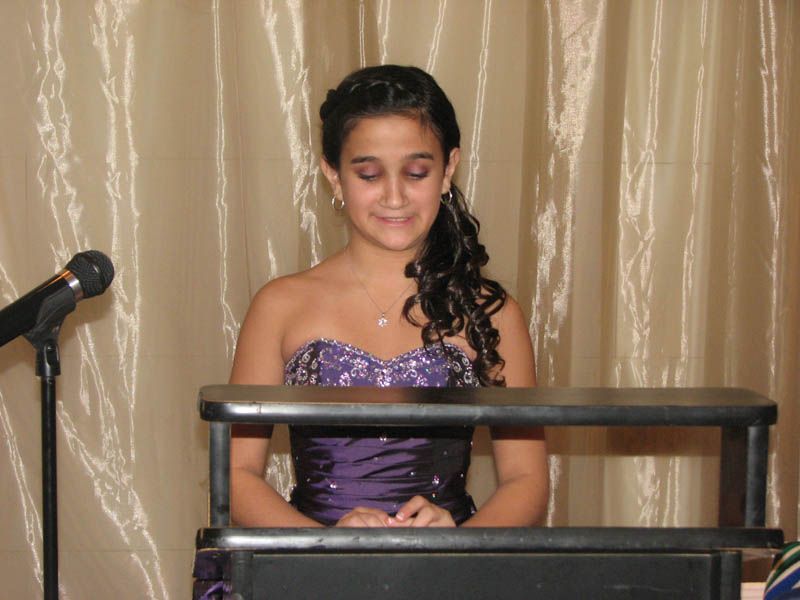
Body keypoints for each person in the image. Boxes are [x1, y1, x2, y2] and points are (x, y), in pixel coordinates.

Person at [229, 65, 548, 528]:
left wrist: (457, 544)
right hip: (313, 574)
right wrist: (325, 546)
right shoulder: (280, 306)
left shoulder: (490, 313)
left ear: (448, 170)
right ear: (334, 176)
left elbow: (527, 480)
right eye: (369, 174)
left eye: (417, 172)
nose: (395, 197)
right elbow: (238, 474)